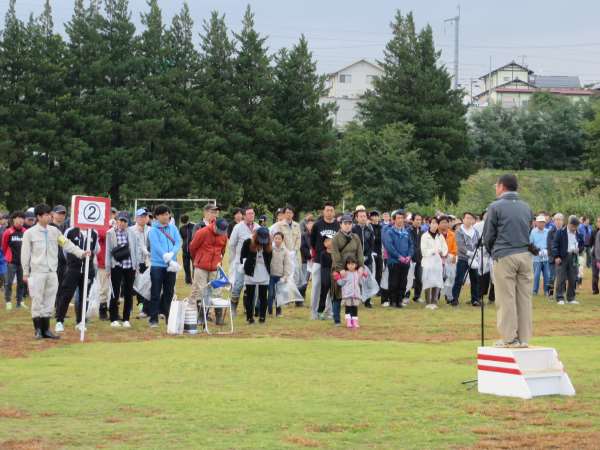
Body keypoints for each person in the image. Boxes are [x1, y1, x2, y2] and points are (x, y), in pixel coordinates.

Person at [21, 204, 89, 339]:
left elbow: (67, 244)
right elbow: (25, 253)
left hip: (52, 270)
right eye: (45, 215)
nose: (48, 217)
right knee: (37, 299)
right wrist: (25, 271)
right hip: (37, 271)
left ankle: (46, 329)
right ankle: (38, 330)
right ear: (39, 217)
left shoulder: (55, 231)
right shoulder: (30, 233)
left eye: (49, 214)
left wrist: (81, 253)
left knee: (50, 300)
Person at [483, 174, 534, 348]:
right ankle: (524, 337)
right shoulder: (526, 207)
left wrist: (492, 251)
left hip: (505, 255)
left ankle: (509, 338)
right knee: (524, 298)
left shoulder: (495, 206)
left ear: (502, 186)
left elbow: (488, 235)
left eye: (496, 185)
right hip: (525, 255)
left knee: (506, 298)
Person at [55, 226, 99, 332]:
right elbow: (65, 249)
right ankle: (59, 321)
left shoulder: (94, 232)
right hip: (73, 269)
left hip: (88, 269)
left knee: (85, 296)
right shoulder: (70, 231)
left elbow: (96, 249)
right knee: (66, 295)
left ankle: (81, 321)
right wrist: (72, 262)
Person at [189, 218, 229, 326]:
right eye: (220, 230)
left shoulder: (224, 235)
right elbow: (192, 247)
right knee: (201, 291)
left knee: (217, 291)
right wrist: (198, 259)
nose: (221, 233)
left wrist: (218, 261)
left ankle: (219, 318)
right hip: (201, 266)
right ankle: (202, 317)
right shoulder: (202, 232)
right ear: (215, 225)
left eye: (223, 231)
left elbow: (223, 250)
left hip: (216, 267)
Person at [147, 205, 181, 327]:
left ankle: (168, 317)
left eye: (167, 214)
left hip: (172, 265)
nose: (166, 216)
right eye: (163, 214)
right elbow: (156, 246)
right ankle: (153, 318)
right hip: (157, 265)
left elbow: (178, 242)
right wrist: (165, 255)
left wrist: (172, 253)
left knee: (169, 292)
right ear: (157, 216)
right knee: (155, 292)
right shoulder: (153, 230)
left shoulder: (173, 228)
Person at [106, 212, 140, 328]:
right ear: (116, 220)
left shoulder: (132, 233)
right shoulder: (110, 233)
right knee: (115, 292)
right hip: (116, 265)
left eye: (125, 221)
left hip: (129, 265)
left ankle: (126, 318)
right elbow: (108, 251)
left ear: (128, 222)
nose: (122, 223)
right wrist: (108, 267)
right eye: (120, 220)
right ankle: (113, 318)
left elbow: (136, 249)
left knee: (129, 292)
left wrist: (136, 266)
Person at [331, 214, 364, 325]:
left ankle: (353, 320)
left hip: (353, 270)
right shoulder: (336, 238)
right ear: (341, 225)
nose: (348, 226)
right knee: (338, 295)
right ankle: (337, 319)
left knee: (352, 294)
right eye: (345, 223)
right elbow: (335, 255)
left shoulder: (356, 237)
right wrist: (340, 269)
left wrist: (361, 267)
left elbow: (360, 253)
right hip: (339, 270)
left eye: (350, 223)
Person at [309, 202, 339, 320]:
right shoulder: (317, 225)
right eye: (327, 210)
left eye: (331, 210)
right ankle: (314, 312)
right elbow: (312, 241)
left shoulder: (337, 225)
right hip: (319, 260)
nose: (329, 212)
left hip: (333, 261)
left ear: (334, 212)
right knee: (317, 286)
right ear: (323, 211)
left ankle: (328, 312)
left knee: (331, 286)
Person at [229, 208, 258, 316]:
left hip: (253, 262)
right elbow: (232, 244)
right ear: (244, 216)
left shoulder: (258, 227)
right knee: (238, 285)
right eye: (249, 213)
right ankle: (233, 307)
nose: (251, 215)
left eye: (253, 213)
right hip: (240, 261)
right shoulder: (238, 227)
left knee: (251, 285)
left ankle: (248, 308)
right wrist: (236, 257)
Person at [382, 210, 414, 309]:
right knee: (393, 281)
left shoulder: (406, 232)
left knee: (403, 282)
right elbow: (389, 246)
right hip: (394, 261)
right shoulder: (389, 232)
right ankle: (393, 301)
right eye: (398, 218)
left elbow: (411, 245)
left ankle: (399, 300)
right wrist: (399, 256)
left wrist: (409, 256)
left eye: (402, 218)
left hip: (405, 261)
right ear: (394, 220)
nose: (400, 220)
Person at [240, 227, 272, 324]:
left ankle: (262, 317)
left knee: (263, 296)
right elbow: (242, 257)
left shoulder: (269, 244)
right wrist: (244, 268)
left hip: (264, 272)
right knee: (250, 295)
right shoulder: (248, 242)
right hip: (250, 271)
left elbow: (270, 259)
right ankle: (250, 317)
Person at [271, 206, 302, 304]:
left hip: (294, 255)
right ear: (284, 214)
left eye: (291, 212)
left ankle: (293, 297)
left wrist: (295, 250)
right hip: (283, 254)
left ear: (293, 214)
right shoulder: (279, 225)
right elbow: (278, 238)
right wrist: (287, 251)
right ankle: (283, 298)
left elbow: (299, 239)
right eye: (287, 212)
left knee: (295, 276)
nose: (289, 214)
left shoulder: (297, 225)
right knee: (284, 275)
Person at [552, 215, 584, 305]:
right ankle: (560, 297)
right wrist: (556, 256)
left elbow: (582, 245)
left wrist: (579, 249)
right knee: (561, 278)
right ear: (569, 224)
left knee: (573, 278)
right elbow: (554, 245)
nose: (574, 228)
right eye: (573, 226)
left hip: (574, 256)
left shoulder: (579, 233)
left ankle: (571, 298)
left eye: (576, 226)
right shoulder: (560, 232)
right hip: (562, 257)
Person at [452, 212, 481, 307]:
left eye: (470, 218)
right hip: (463, 258)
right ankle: (454, 299)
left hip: (474, 259)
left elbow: (478, 243)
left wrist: (476, 252)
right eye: (467, 218)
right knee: (459, 279)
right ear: (463, 220)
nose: (469, 220)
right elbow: (460, 245)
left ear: (473, 220)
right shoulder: (459, 231)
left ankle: (475, 300)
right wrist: (469, 253)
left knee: (475, 279)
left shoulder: (476, 232)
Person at [419, 218, 448, 309]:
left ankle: (434, 302)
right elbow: (423, 250)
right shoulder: (424, 236)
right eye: (433, 223)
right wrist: (434, 250)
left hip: (437, 262)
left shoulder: (440, 236)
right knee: (428, 281)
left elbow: (445, 248)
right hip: (427, 262)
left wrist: (442, 253)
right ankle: (428, 302)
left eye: (436, 223)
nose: (434, 225)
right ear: (429, 224)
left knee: (436, 281)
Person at [2, 212, 27, 310]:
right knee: (8, 282)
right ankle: (8, 301)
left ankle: (19, 302)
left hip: (22, 262)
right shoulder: (8, 232)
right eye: (18, 218)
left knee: (21, 283)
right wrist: (7, 257)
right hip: (11, 262)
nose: (21, 220)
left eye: (22, 218)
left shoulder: (25, 231)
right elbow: (3, 246)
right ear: (13, 219)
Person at [334, 255, 368, 328]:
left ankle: (355, 322)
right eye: (349, 264)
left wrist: (364, 275)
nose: (351, 266)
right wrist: (337, 278)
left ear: (356, 265)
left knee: (355, 308)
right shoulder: (345, 274)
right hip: (347, 295)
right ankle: (348, 321)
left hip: (356, 295)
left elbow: (362, 281)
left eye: (352, 264)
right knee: (348, 308)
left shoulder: (357, 273)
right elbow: (341, 283)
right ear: (346, 265)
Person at [352, 208, 375, 308]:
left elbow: (371, 245)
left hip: (367, 259)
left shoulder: (369, 229)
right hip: (355, 260)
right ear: (356, 218)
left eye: (364, 216)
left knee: (368, 279)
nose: (363, 218)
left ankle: (367, 300)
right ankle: (354, 298)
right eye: (360, 216)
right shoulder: (353, 230)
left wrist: (367, 255)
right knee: (355, 280)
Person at [131, 208, 151, 316]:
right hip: (134, 262)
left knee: (146, 286)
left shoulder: (151, 230)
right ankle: (133, 308)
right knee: (133, 286)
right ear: (136, 218)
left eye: (145, 216)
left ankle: (143, 308)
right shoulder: (130, 230)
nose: (143, 219)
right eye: (140, 217)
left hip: (147, 262)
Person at [268, 232, 292, 317]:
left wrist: (286, 275)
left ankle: (278, 312)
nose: (277, 240)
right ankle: (270, 311)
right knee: (270, 294)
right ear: (273, 239)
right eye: (276, 238)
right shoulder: (270, 249)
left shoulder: (285, 251)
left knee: (279, 294)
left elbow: (287, 264)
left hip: (280, 276)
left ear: (282, 240)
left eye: (279, 238)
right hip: (271, 275)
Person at [530, 215, 551, 297]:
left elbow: (551, 244)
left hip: (546, 256)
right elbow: (530, 245)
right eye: (540, 222)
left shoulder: (548, 231)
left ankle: (546, 291)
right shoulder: (533, 232)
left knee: (547, 275)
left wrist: (547, 250)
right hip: (536, 257)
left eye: (543, 222)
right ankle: (535, 291)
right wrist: (537, 252)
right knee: (536, 275)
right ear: (537, 223)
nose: (542, 224)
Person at [438, 216, 457, 304]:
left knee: (451, 277)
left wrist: (453, 255)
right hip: (438, 258)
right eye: (442, 222)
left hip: (449, 258)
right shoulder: (436, 234)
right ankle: (436, 295)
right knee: (438, 277)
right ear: (439, 224)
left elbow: (455, 247)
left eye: (446, 222)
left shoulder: (452, 234)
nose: (444, 224)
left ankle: (449, 296)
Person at [546, 213, 564, 297]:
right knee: (552, 277)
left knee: (562, 277)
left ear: (563, 221)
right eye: (556, 220)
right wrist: (555, 256)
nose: (558, 221)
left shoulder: (565, 231)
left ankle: (561, 293)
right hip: (553, 258)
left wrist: (561, 256)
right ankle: (550, 293)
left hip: (563, 258)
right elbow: (550, 246)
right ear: (554, 221)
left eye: (560, 220)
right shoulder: (550, 232)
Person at [299, 217, 314, 299]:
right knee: (305, 279)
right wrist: (309, 256)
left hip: (316, 261)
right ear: (306, 225)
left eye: (312, 224)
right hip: (306, 260)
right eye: (309, 224)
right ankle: (301, 296)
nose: (311, 226)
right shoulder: (304, 235)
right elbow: (302, 247)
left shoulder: (317, 235)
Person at [410, 213, 424, 303]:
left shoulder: (423, 232)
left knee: (419, 278)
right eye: (417, 220)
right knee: (408, 278)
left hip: (420, 258)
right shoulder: (408, 230)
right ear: (412, 220)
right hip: (410, 258)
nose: (419, 221)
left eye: (420, 220)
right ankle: (406, 296)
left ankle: (417, 296)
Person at [179, 214, 195, 285]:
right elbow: (183, 238)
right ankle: (188, 280)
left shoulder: (194, 226)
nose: (184, 224)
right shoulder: (181, 228)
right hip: (185, 250)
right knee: (186, 265)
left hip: (194, 250)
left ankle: (195, 279)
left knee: (195, 265)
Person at [369, 211, 384, 290]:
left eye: (376, 216)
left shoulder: (381, 227)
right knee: (372, 272)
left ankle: (378, 288)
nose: (375, 218)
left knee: (379, 271)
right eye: (373, 216)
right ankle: (372, 288)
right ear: (371, 218)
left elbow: (381, 239)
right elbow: (371, 239)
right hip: (371, 252)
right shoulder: (369, 227)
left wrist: (376, 238)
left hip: (379, 252)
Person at [591, 216, 600, 295]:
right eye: (598, 222)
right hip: (595, 255)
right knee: (595, 274)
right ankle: (595, 289)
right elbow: (590, 243)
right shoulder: (594, 232)